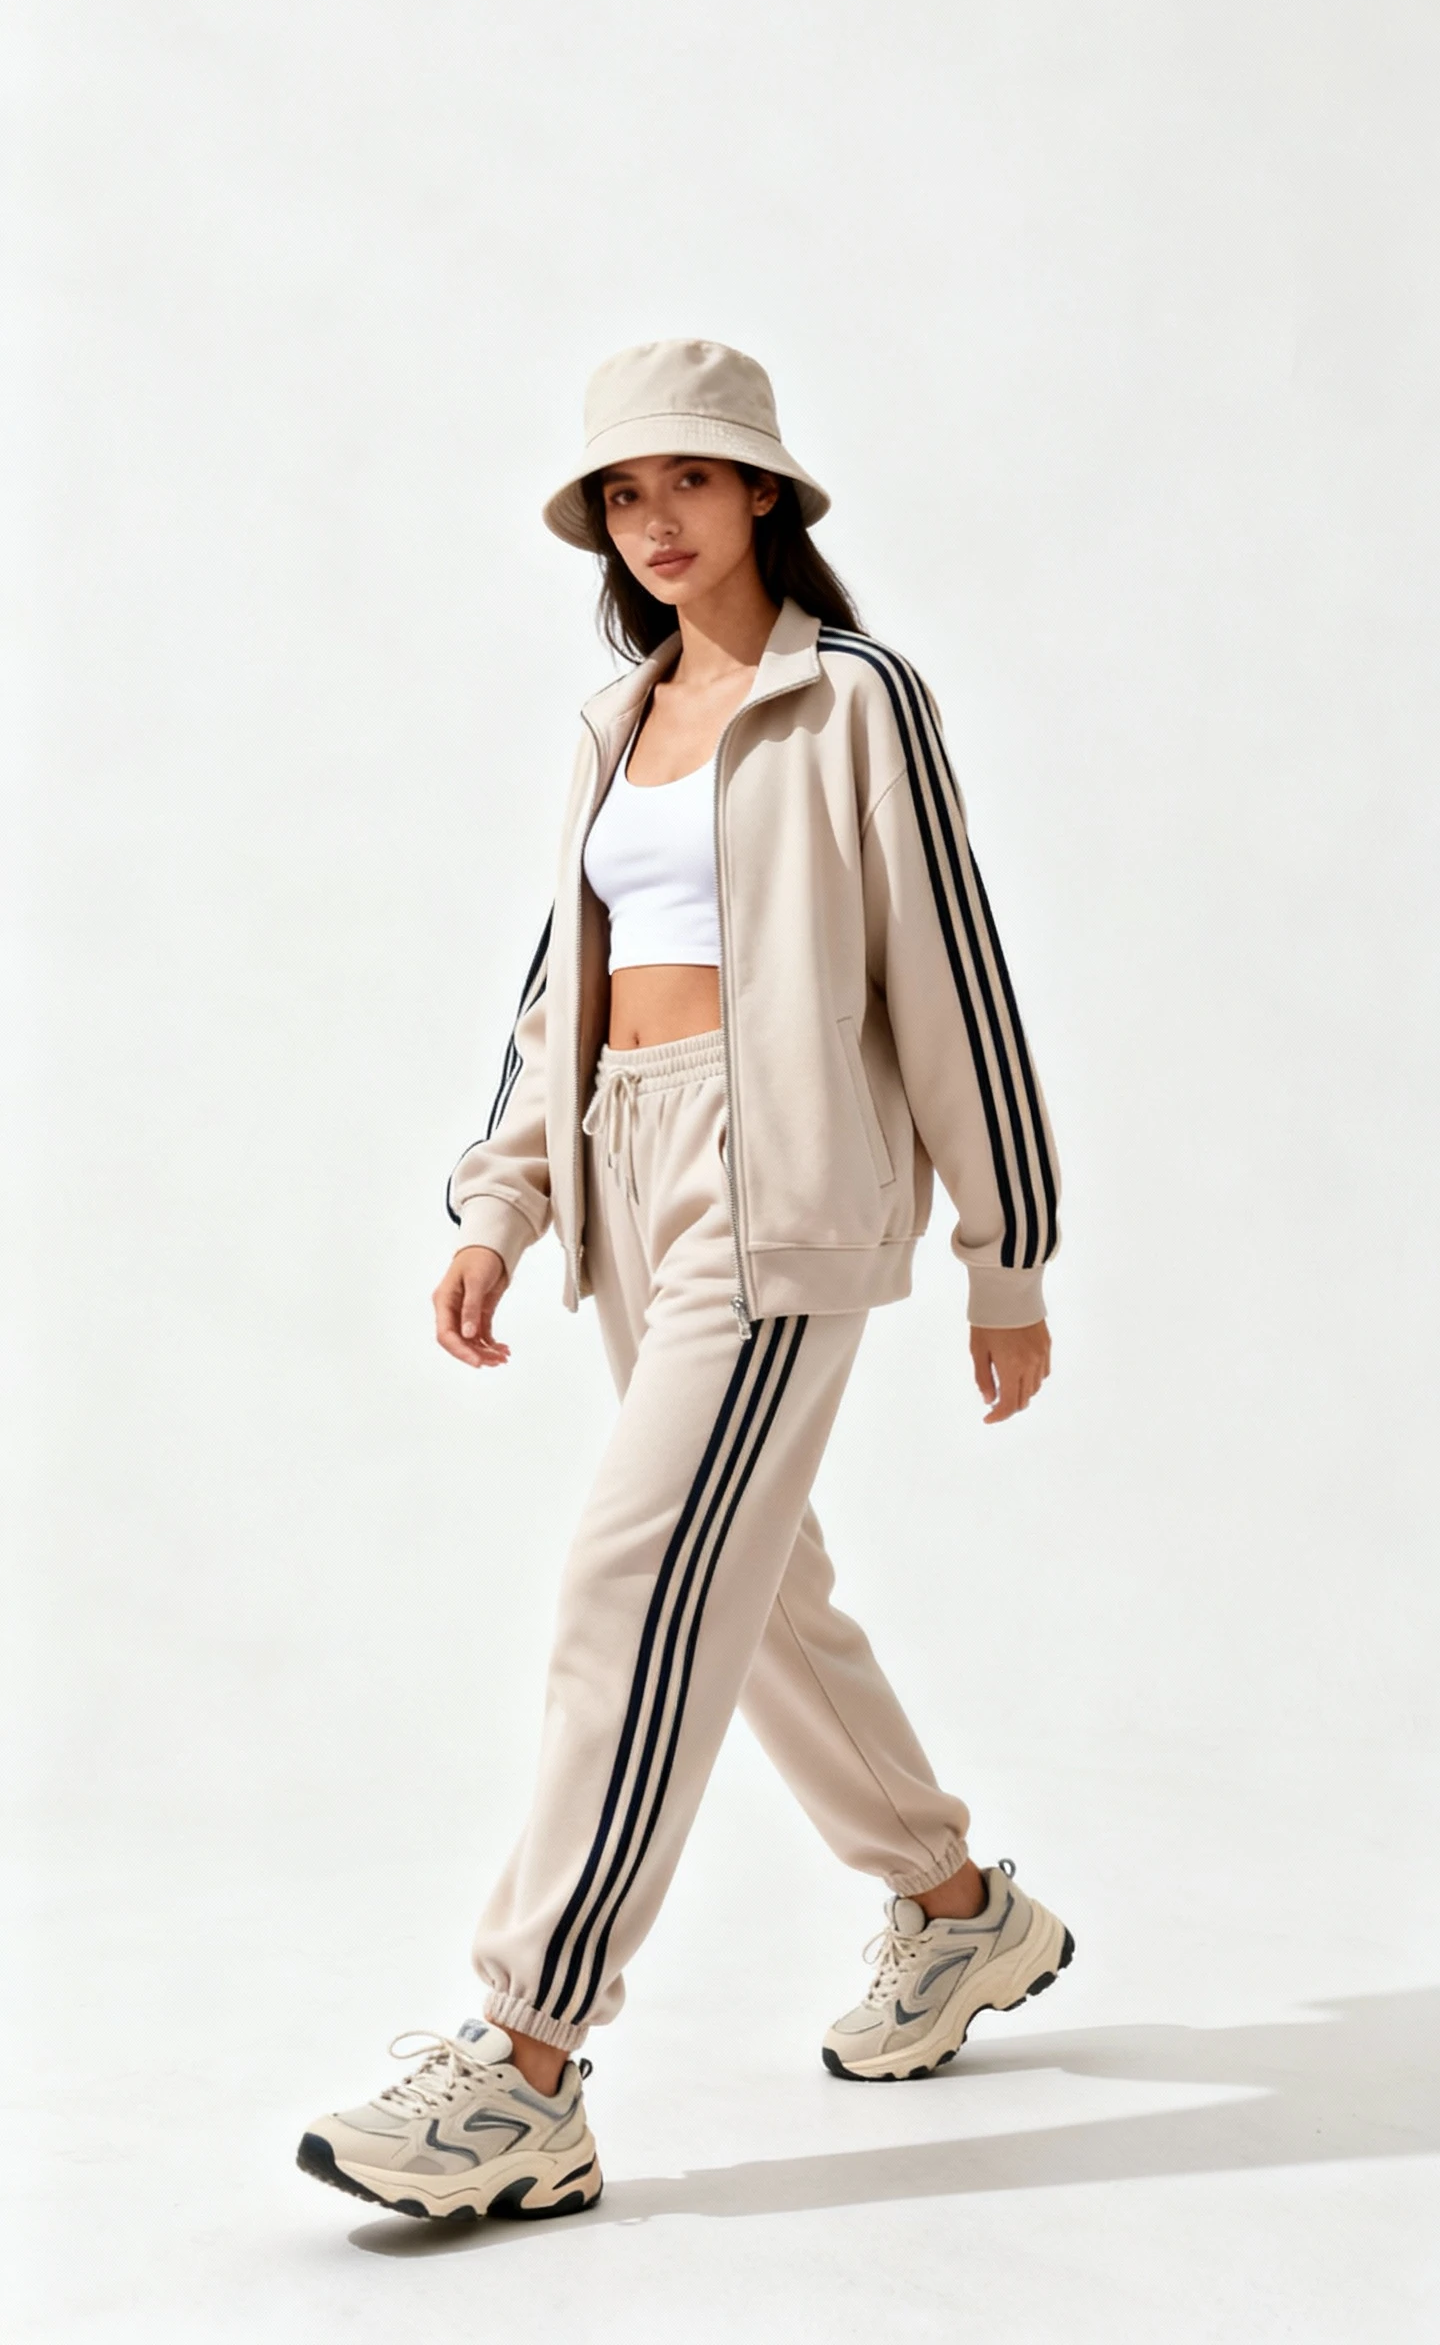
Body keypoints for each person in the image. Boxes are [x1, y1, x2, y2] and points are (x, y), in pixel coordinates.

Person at [297, 338, 1072, 2226]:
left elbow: (951, 973)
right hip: (628, 1165)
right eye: (623, 497)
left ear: (766, 499)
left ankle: (529, 2060)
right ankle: (958, 1911)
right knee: (762, 1582)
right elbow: (560, 985)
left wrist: (1006, 1249)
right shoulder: (611, 720)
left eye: (690, 485)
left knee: (637, 1577)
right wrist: (500, 1207)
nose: (655, 524)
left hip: (780, 1177)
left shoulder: (858, 702)